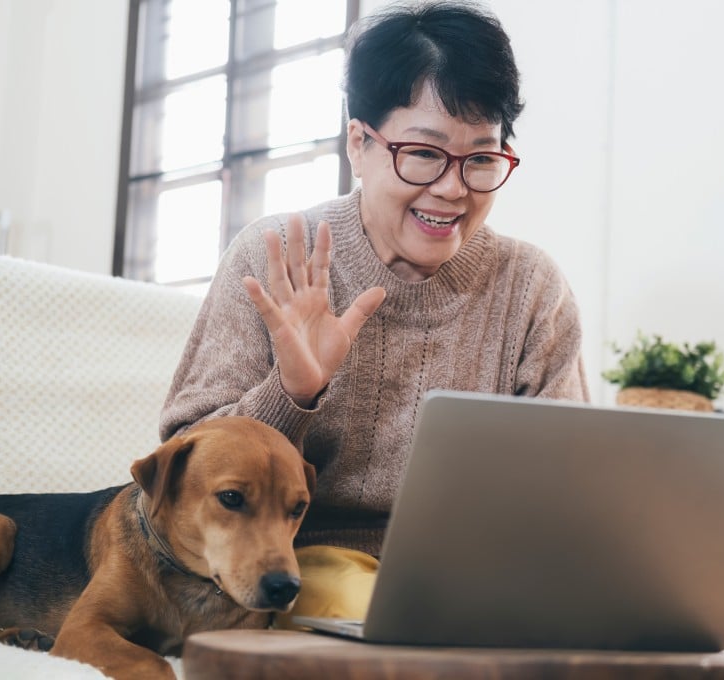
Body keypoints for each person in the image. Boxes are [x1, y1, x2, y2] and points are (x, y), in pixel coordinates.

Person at [159, 0, 589, 624]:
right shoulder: (276, 255)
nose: (452, 188)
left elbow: (571, 482)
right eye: (423, 152)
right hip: (297, 568)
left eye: (482, 158)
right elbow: (180, 465)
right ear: (359, 144)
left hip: (469, 577)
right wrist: (293, 390)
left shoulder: (531, 287)